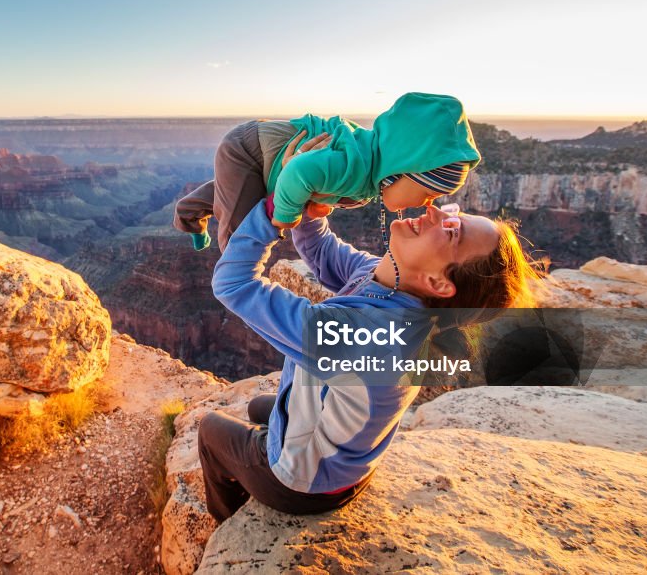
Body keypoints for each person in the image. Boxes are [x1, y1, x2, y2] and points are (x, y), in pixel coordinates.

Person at [197, 135, 541, 523]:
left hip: (304, 484)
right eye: (453, 213)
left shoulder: (368, 338)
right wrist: (309, 195)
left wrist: (276, 208)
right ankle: (282, 449)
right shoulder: (393, 280)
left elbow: (234, 284)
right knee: (260, 406)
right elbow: (321, 248)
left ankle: (225, 520)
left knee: (211, 430)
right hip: (347, 461)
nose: (433, 211)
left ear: (439, 283)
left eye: (450, 232)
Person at [173, 91, 481, 252]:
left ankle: (187, 214)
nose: (428, 203)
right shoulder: (355, 167)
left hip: (262, 155)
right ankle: (225, 260)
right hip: (247, 150)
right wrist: (286, 217)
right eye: (430, 192)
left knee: (228, 194)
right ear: (404, 170)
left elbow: (320, 186)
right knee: (240, 231)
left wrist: (319, 202)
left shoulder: (372, 171)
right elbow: (299, 175)